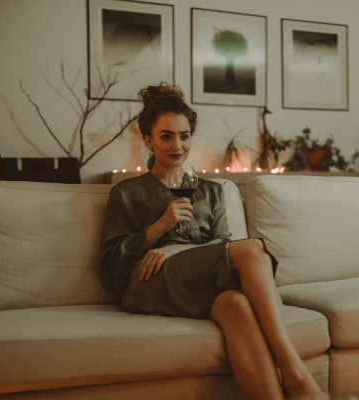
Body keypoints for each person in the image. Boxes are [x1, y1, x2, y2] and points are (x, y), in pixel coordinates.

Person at [98, 82, 322, 400]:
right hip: (149, 280)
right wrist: (159, 228)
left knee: (237, 304)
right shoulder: (127, 191)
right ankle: (297, 376)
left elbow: (221, 249)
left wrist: (181, 247)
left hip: (200, 280)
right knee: (253, 249)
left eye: (184, 135)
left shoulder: (211, 191)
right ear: (148, 139)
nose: (177, 145)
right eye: (166, 136)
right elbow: (109, 268)